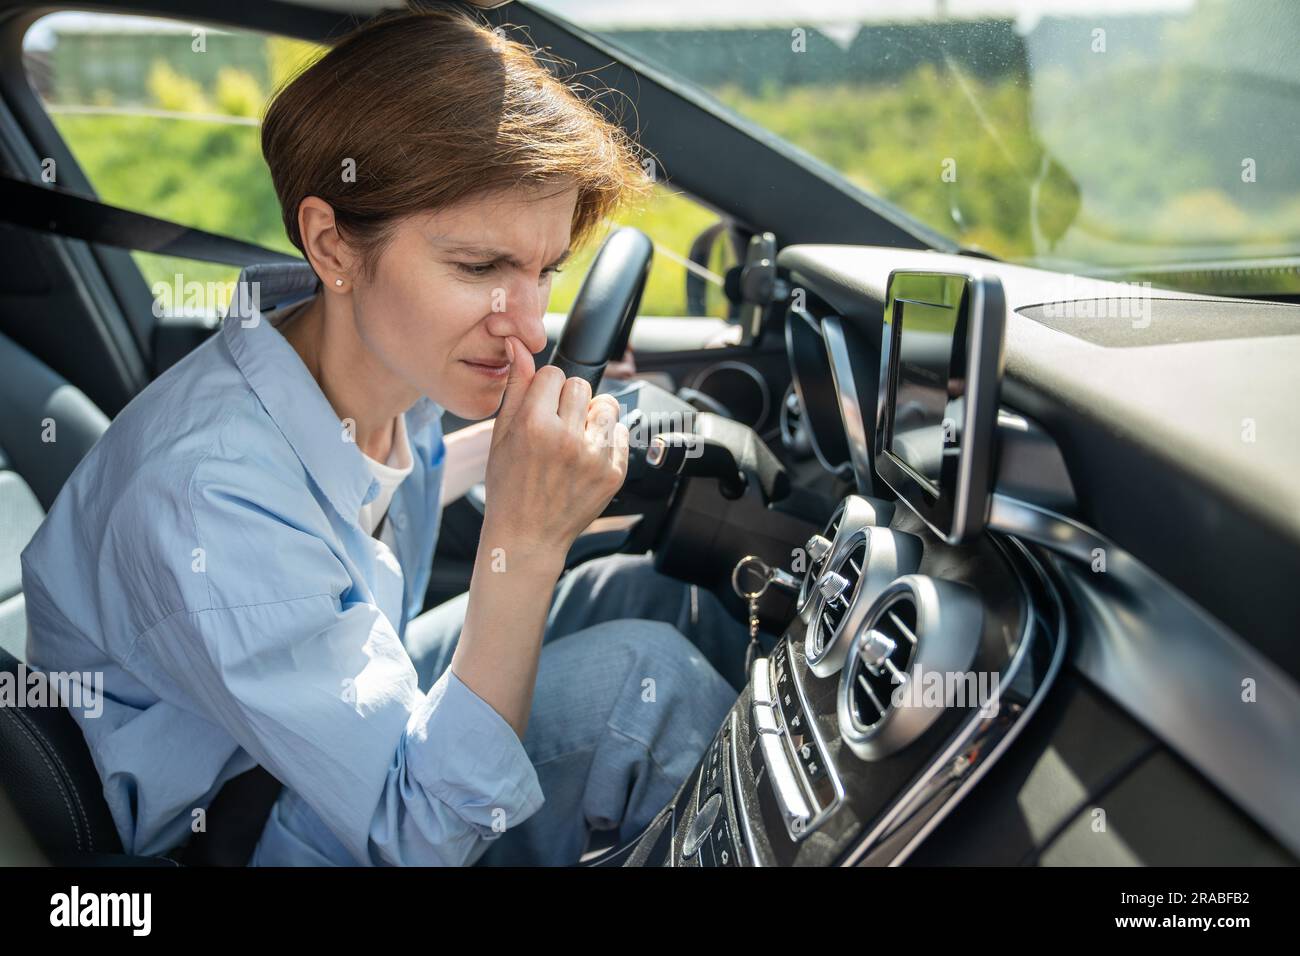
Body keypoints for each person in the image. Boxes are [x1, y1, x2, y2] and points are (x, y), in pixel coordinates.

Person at [20, 8, 750, 867]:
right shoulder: (207, 493)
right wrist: (525, 536)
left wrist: (563, 447)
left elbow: (395, 479)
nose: (528, 326)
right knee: (643, 686)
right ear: (333, 244)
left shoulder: (379, 370)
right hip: (240, 826)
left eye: (545, 270)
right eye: (478, 268)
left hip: (322, 732)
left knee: (653, 595)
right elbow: (418, 833)